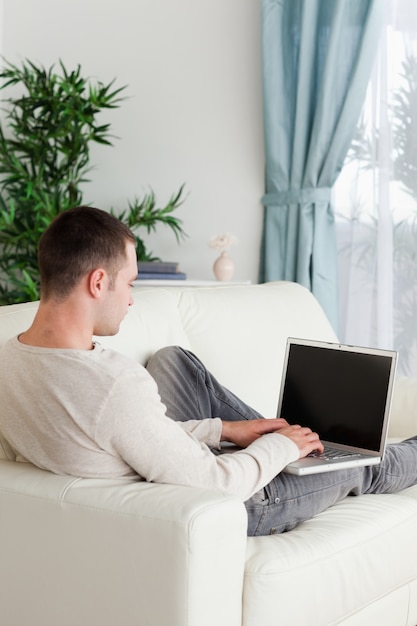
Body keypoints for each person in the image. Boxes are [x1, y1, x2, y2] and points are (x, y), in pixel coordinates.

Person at [1, 206, 417, 536]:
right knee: (365, 461)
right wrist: (283, 449)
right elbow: (218, 484)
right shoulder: (113, 385)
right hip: (236, 499)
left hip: (167, 462)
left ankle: (296, 434)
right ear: (97, 283)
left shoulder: (10, 359)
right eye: (129, 283)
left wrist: (225, 430)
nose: (131, 299)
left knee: (173, 358)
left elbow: (119, 434)